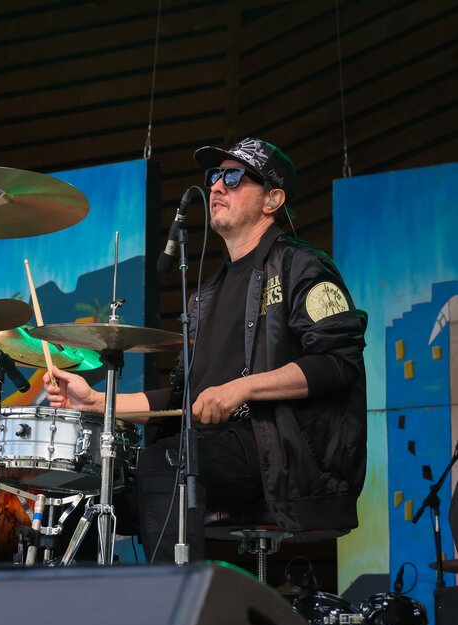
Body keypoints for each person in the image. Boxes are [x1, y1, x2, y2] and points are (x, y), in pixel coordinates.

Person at [45, 137, 367, 564]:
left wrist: (242, 389)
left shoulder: (300, 267)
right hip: (213, 451)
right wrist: (97, 401)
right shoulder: (207, 295)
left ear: (272, 199)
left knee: (167, 462)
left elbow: (337, 363)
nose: (217, 186)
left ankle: (173, 608)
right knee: (93, 492)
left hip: (282, 453)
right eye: (215, 176)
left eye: (233, 177)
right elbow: (181, 400)